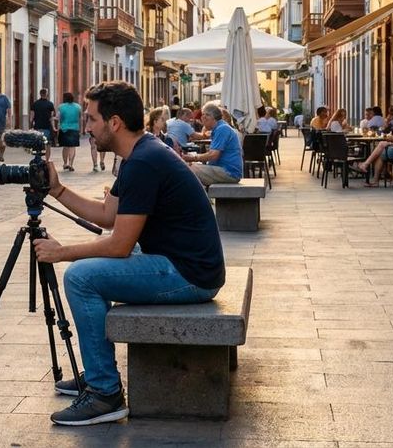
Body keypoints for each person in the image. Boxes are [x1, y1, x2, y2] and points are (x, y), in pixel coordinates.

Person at [32, 81, 225, 426]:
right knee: (93, 268)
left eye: (91, 119)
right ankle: (98, 371)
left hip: (191, 275)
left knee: (80, 277)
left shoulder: (143, 162)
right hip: (184, 264)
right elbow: (108, 215)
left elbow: (119, 246)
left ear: (115, 122)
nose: (87, 128)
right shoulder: (141, 153)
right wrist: (57, 189)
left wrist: (62, 253)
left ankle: (104, 391)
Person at [181, 102, 243, 186]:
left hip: (229, 172)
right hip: (224, 169)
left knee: (187, 170)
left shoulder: (222, 129)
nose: (202, 119)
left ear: (211, 117)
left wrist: (193, 158)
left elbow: (213, 155)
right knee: (189, 167)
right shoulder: (220, 128)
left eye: (204, 116)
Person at [29, 88, 57, 161]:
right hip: (47, 127)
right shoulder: (50, 104)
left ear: (40, 94)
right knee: (48, 144)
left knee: (38, 143)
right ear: (47, 94)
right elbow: (51, 117)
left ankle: (38, 158)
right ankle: (47, 159)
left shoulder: (35, 104)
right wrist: (53, 127)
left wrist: (31, 126)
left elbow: (31, 117)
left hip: (37, 127)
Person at [57, 92, 83, 171]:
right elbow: (80, 118)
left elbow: (58, 118)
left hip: (64, 129)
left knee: (65, 147)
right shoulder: (78, 107)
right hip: (74, 129)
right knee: (72, 147)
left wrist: (58, 127)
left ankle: (65, 163)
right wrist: (81, 129)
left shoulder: (61, 107)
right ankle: (71, 164)